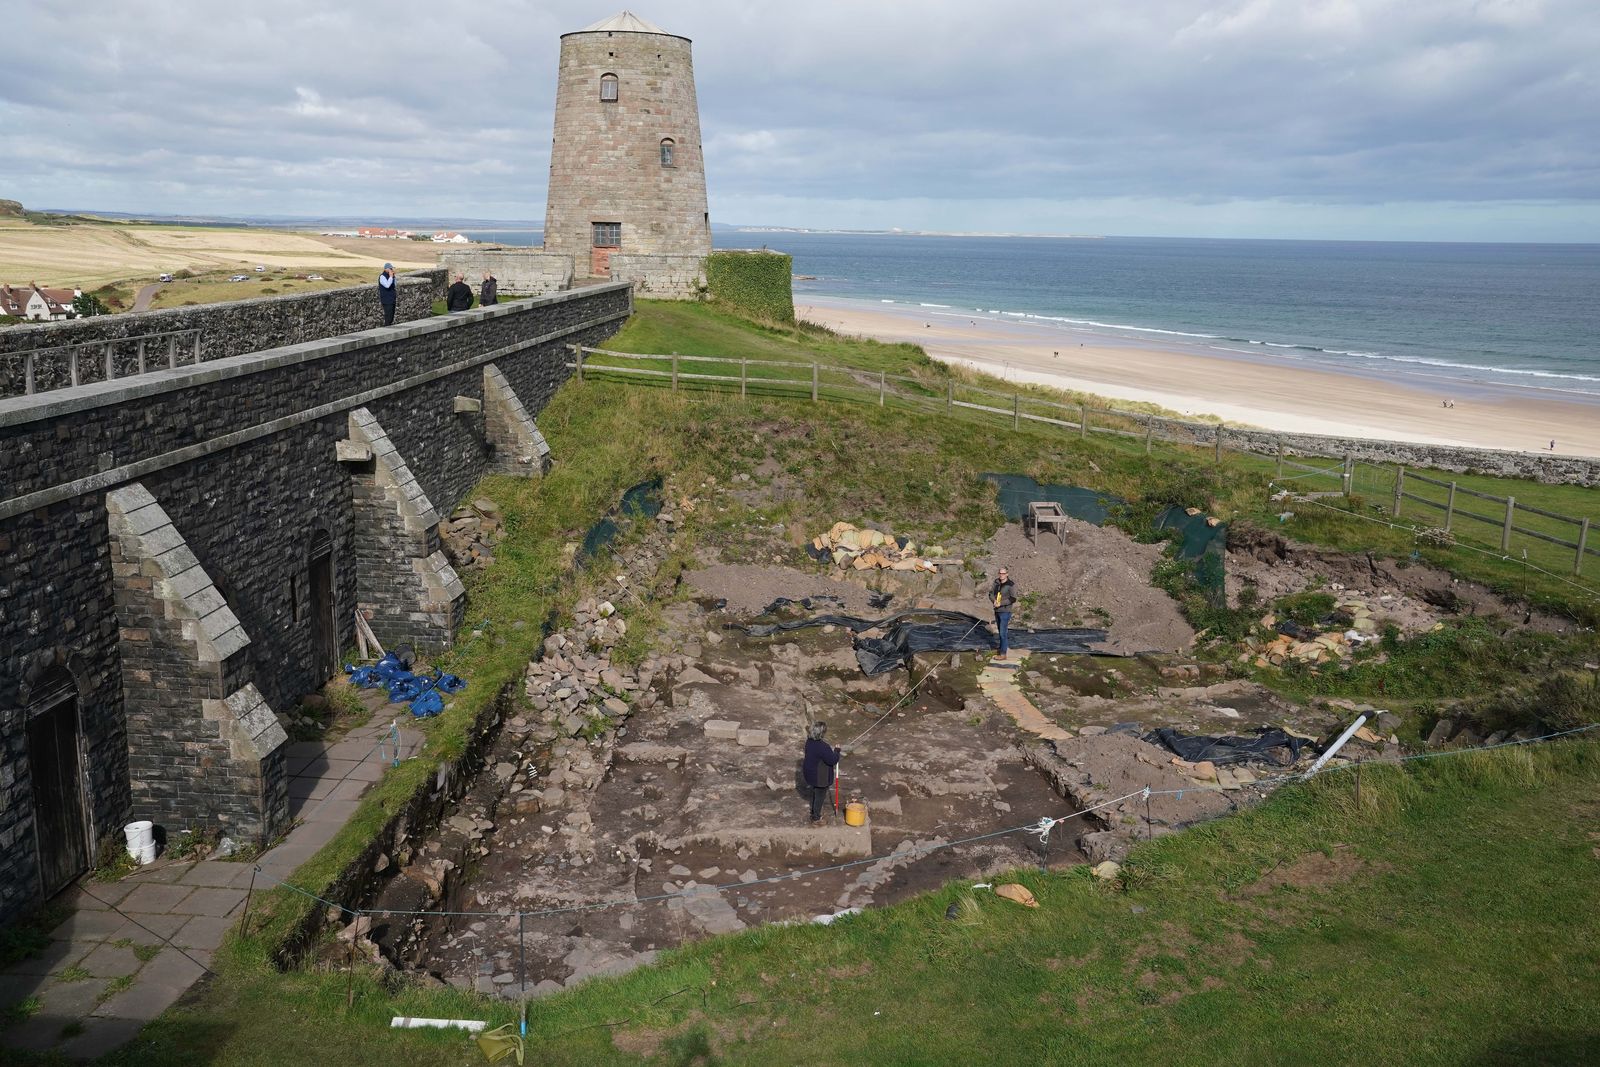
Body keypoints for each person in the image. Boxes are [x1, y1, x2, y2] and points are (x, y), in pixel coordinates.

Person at [802, 722, 844, 823]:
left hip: (810, 773)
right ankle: (816, 816)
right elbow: (832, 760)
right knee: (820, 796)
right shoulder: (823, 747)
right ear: (821, 734)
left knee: (815, 792)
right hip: (820, 776)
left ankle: (814, 810)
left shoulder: (809, 741)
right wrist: (837, 751)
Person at [989, 566, 1016, 661]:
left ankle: (1003, 654)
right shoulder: (996, 582)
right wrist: (994, 601)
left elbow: (1013, 598)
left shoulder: (1010, 585)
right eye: (1000, 573)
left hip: (1005, 611)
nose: (1001, 575)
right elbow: (991, 593)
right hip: (997, 610)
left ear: (1007, 574)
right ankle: (1001, 648)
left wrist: (1001, 603)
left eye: (1003, 573)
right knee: (1000, 631)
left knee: (1003, 633)